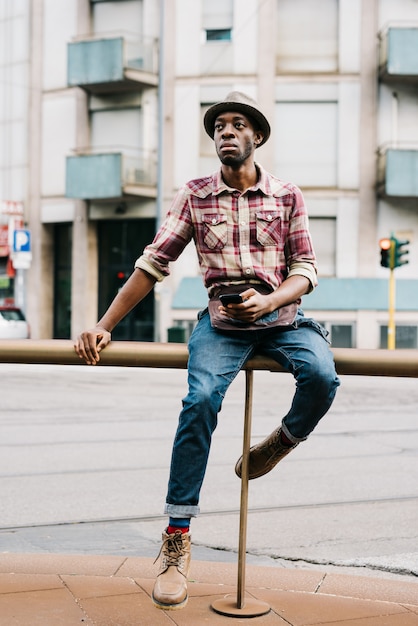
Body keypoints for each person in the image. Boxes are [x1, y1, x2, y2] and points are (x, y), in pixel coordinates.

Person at [74, 91, 340, 611]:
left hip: (283, 319)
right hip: (221, 326)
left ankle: (280, 442)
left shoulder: (287, 195)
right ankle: (176, 540)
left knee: (322, 377)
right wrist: (102, 326)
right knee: (199, 402)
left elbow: (306, 270)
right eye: (219, 125)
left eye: (238, 125)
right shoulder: (195, 195)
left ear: (256, 137)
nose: (226, 132)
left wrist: (268, 301)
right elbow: (153, 264)